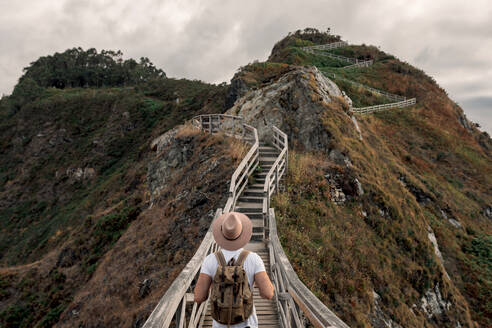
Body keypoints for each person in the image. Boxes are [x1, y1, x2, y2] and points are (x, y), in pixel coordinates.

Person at [194, 211, 274, 328]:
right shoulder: (254, 259)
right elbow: (268, 294)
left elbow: (199, 297)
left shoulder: (210, 260)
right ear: (242, 234)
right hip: (247, 324)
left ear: (221, 234)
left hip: (220, 324)